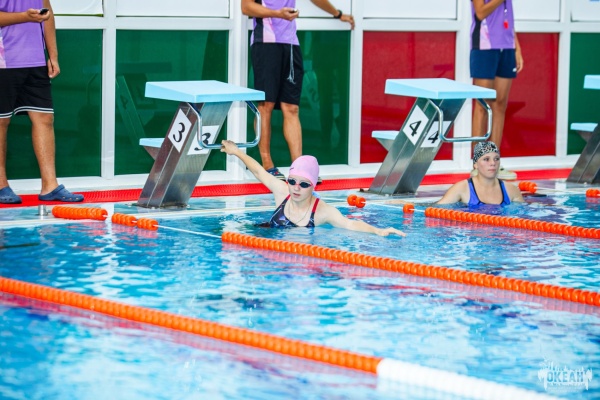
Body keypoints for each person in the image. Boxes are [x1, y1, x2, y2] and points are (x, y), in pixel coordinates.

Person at [241, 0, 354, 181]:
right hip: (266, 42)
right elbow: (246, 7)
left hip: (291, 44)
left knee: (292, 108)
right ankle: (267, 164)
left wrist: (338, 14)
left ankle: (299, 168)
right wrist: (278, 13)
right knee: (266, 105)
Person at [221, 139, 405, 237]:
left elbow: (350, 224)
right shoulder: (282, 191)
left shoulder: (322, 211)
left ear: (314, 185)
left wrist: (377, 231)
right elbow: (259, 172)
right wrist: (236, 151)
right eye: (292, 181)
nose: (296, 188)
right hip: (264, 236)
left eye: (303, 184)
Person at [0, 0, 83, 204]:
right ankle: (1, 185)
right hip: (3, 60)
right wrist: (25, 17)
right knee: (1, 122)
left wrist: (52, 55)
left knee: (45, 118)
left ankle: (50, 186)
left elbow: (47, 13)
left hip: (35, 60)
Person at [470, 0, 523, 180]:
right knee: (482, 105)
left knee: (500, 105)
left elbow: (508, 18)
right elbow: (480, 12)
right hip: (484, 46)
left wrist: (516, 48)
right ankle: (478, 164)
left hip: (507, 47)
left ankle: (494, 163)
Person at [437, 141, 524, 205]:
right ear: (475, 164)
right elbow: (435, 211)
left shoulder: (511, 190)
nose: (493, 163)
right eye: (486, 159)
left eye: (496, 159)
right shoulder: (462, 188)